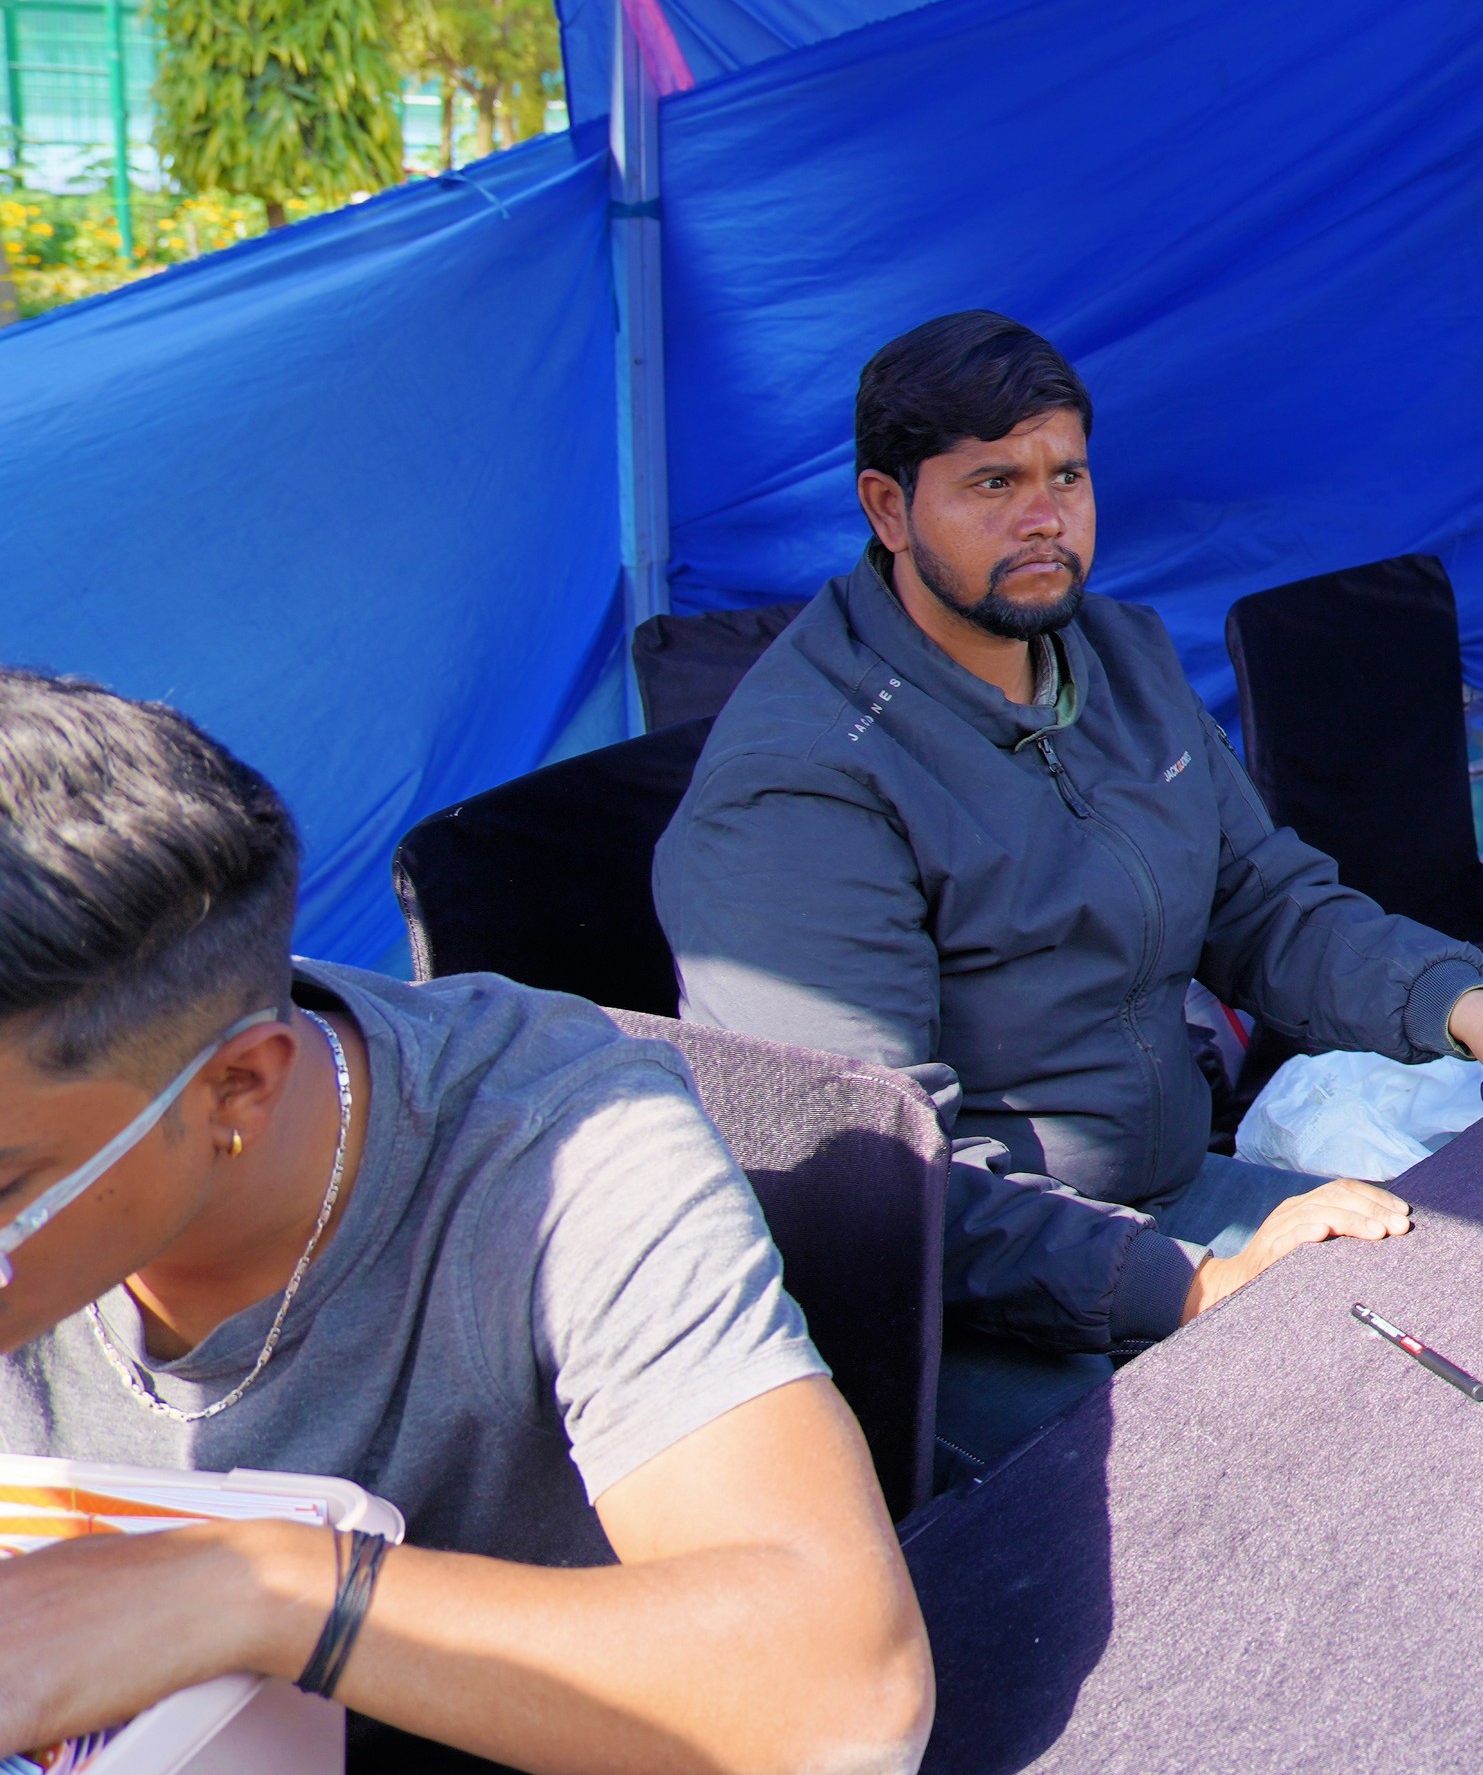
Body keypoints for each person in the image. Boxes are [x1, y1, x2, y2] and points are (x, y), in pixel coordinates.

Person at [655, 311, 1483, 1479]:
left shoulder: (1118, 658)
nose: (1046, 517)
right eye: (993, 483)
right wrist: (1202, 1286)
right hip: (963, 1307)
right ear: (888, 509)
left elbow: (1263, 903)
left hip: (1174, 1196)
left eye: (1066, 476)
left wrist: (1476, 1011)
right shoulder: (804, 786)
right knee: (1315, 1479)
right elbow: (881, 1182)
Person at [0, 671, 930, 1775]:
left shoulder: (560, 1155)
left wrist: (256, 1589)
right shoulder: (79, 1080)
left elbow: (843, 1699)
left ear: (237, 1089)